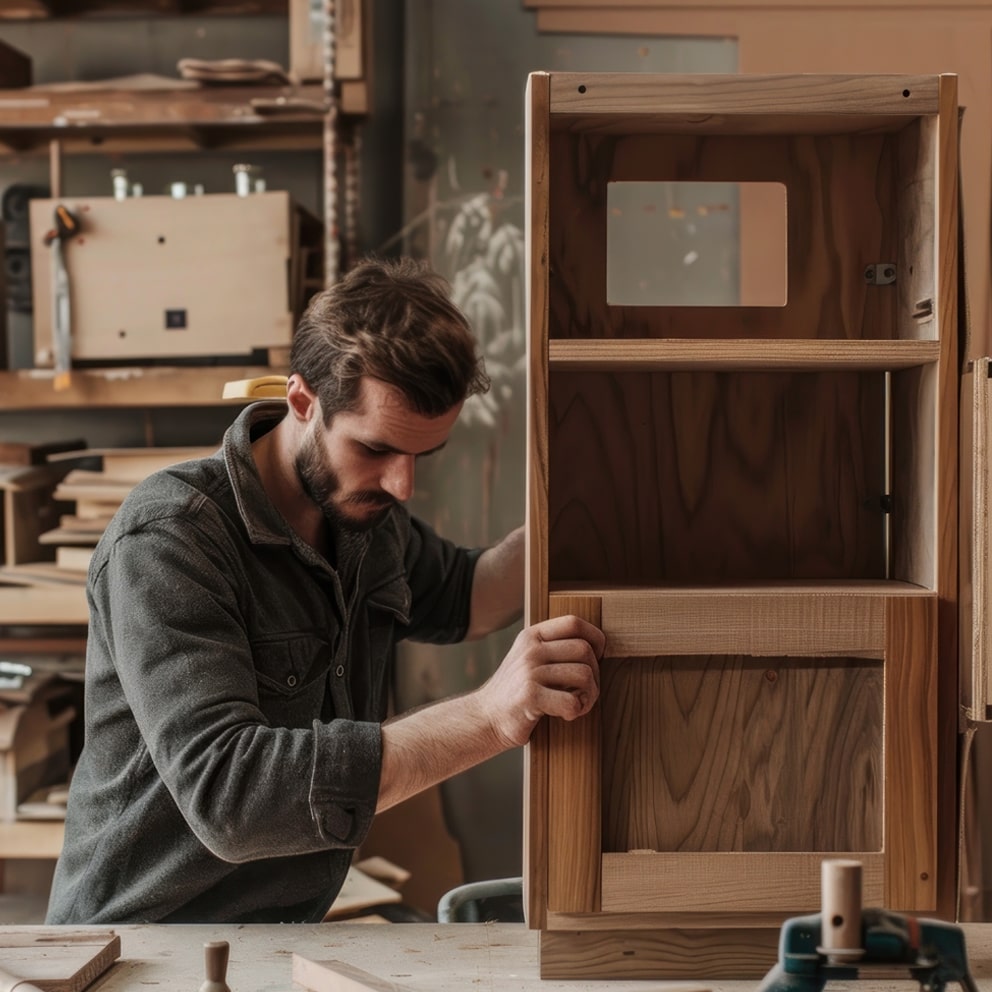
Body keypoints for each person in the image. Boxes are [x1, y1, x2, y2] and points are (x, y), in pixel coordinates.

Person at [45, 256, 604, 925]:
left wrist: (570, 518)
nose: (403, 487)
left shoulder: (362, 517)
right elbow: (232, 795)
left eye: (421, 457)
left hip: (281, 936)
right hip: (146, 946)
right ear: (304, 401)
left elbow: (468, 593)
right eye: (375, 450)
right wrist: (487, 718)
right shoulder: (171, 542)